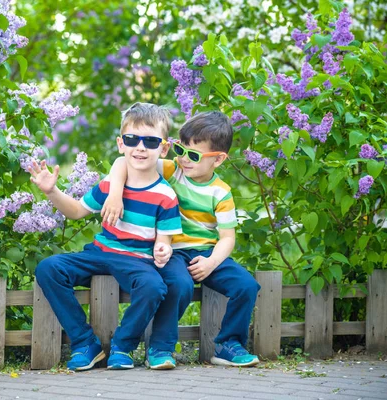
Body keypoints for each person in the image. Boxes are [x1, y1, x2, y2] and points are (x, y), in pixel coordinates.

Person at [102, 111, 261, 369]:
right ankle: (160, 348)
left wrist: (211, 263)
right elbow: (124, 162)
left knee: (246, 286)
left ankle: (228, 345)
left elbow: (227, 238)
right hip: (172, 250)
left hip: (207, 253)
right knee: (179, 285)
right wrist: (116, 193)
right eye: (180, 149)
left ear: (218, 159)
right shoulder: (172, 169)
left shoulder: (221, 193)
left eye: (194, 155)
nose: (185, 159)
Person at [30, 103, 182, 371]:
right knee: (49, 268)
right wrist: (52, 192)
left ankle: (123, 346)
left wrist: (162, 249)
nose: (141, 147)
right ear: (121, 144)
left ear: (164, 148)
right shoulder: (109, 185)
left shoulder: (166, 195)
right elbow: (76, 211)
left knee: (155, 287)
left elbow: (164, 240)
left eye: (150, 141)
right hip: (100, 253)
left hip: (137, 260)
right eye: (132, 139)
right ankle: (85, 343)